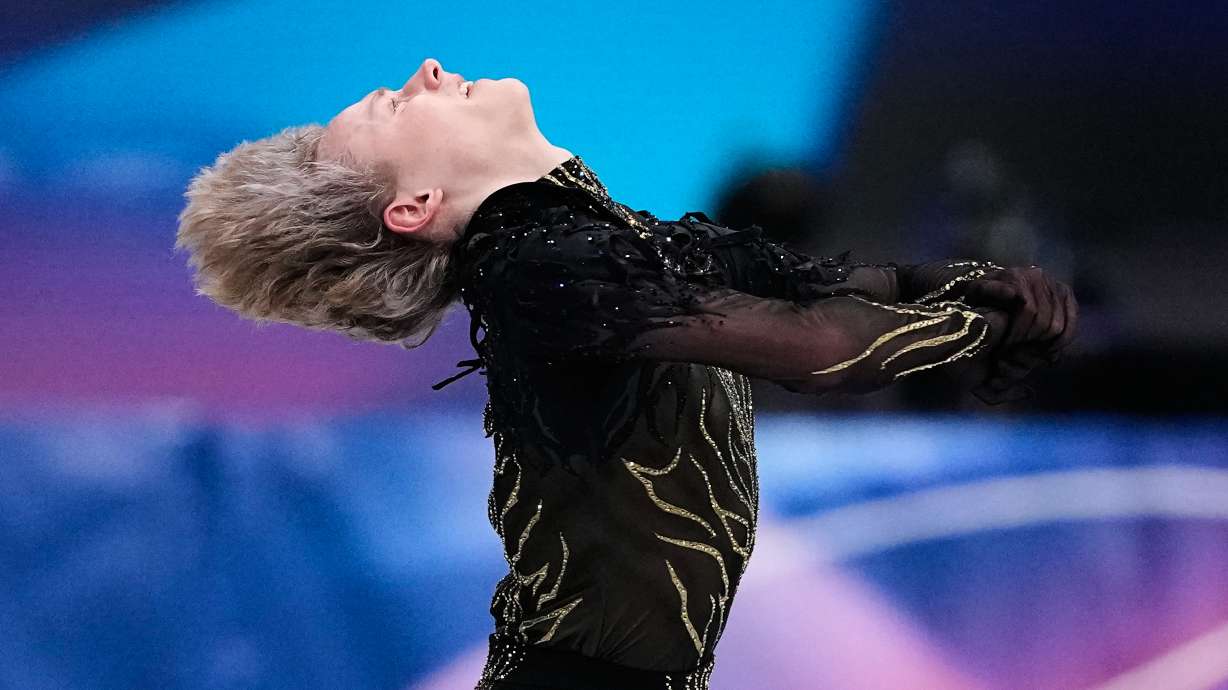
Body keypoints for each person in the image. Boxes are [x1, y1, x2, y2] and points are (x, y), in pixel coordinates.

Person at [176, 58, 1077, 690]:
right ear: (413, 206)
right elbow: (817, 346)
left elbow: (812, 282)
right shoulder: (536, 267)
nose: (429, 68)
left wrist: (978, 287)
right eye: (396, 105)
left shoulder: (592, 239)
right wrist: (980, 323)